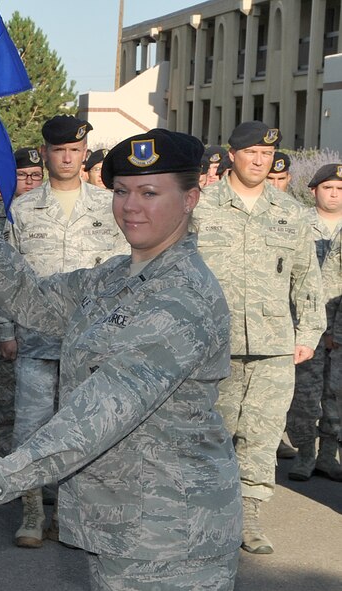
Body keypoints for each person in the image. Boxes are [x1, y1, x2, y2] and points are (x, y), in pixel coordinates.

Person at [0, 128, 242, 590]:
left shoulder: (181, 296)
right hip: (124, 527)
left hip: (172, 536)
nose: (131, 206)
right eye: (121, 191)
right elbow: (32, 298)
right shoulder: (117, 275)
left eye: (150, 193)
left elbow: (101, 413)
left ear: (191, 198)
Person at [195, 120, 325, 554]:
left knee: (262, 434)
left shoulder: (290, 213)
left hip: (273, 346)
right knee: (211, 432)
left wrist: (308, 332)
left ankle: (249, 516)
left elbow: (308, 278)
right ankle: (207, 514)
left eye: (267, 155)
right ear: (232, 155)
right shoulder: (200, 206)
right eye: (251, 152)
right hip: (213, 345)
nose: (259, 160)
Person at [6, 115, 128, 548]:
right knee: (31, 431)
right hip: (37, 340)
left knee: (89, 429)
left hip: (92, 343)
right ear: (45, 153)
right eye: (59, 151)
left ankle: (78, 515)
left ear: (85, 154)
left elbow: (123, 274)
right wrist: (6, 329)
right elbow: (10, 274)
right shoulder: (23, 208)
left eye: (76, 151)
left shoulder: (109, 205)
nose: (68, 158)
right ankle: (33, 513)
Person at [0, 147, 42, 465]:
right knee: (2, 411)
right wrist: (3, 329)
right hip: (11, 330)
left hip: (48, 331)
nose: (29, 182)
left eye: (36, 176)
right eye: (22, 176)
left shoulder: (49, 215)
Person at [285, 163, 342, 482]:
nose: (334, 195)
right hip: (303, 323)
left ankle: (327, 456)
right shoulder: (298, 223)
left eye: (340, 189)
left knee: (336, 394)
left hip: (339, 328)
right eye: (328, 188)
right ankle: (305, 454)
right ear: (313, 191)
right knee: (304, 395)